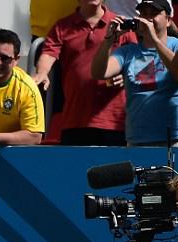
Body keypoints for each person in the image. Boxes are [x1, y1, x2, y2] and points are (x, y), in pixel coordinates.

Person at [91, 0, 178, 146]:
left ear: (168, 20)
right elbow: (98, 72)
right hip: (138, 139)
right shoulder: (128, 51)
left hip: (175, 138)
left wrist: (155, 39)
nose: (148, 18)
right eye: (144, 14)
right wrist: (109, 40)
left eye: (154, 14)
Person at [33, 0, 136, 146]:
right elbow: (49, 53)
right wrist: (42, 72)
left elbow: (137, 62)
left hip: (114, 122)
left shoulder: (121, 24)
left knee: (113, 168)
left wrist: (125, 76)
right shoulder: (62, 26)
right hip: (75, 120)